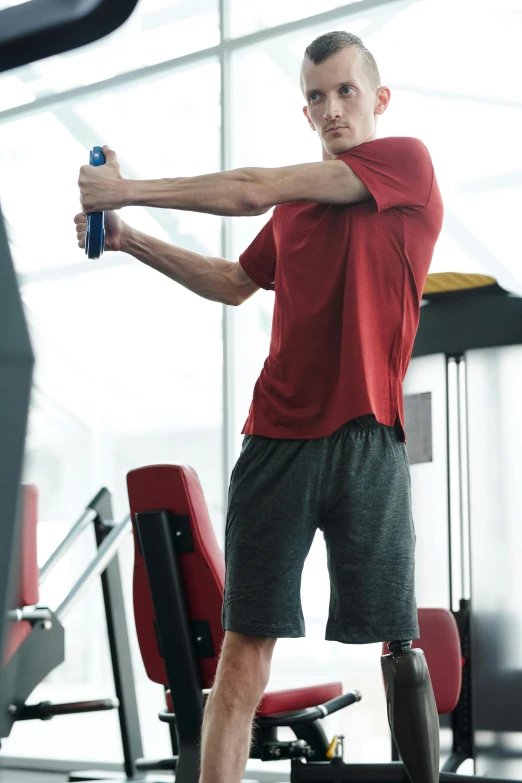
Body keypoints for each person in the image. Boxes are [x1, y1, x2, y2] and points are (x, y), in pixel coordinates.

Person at [75, 30, 443, 783]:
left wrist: (127, 188)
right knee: (244, 649)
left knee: (398, 645)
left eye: (345, 91)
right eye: (316, 96)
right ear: (305, 112)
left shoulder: (406, 165)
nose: (332, 108)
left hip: (371, 440)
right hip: (275, 442)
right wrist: (126, 235)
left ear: (379, 100)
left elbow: (249, 187)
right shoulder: (297, 209)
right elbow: (234, 280)